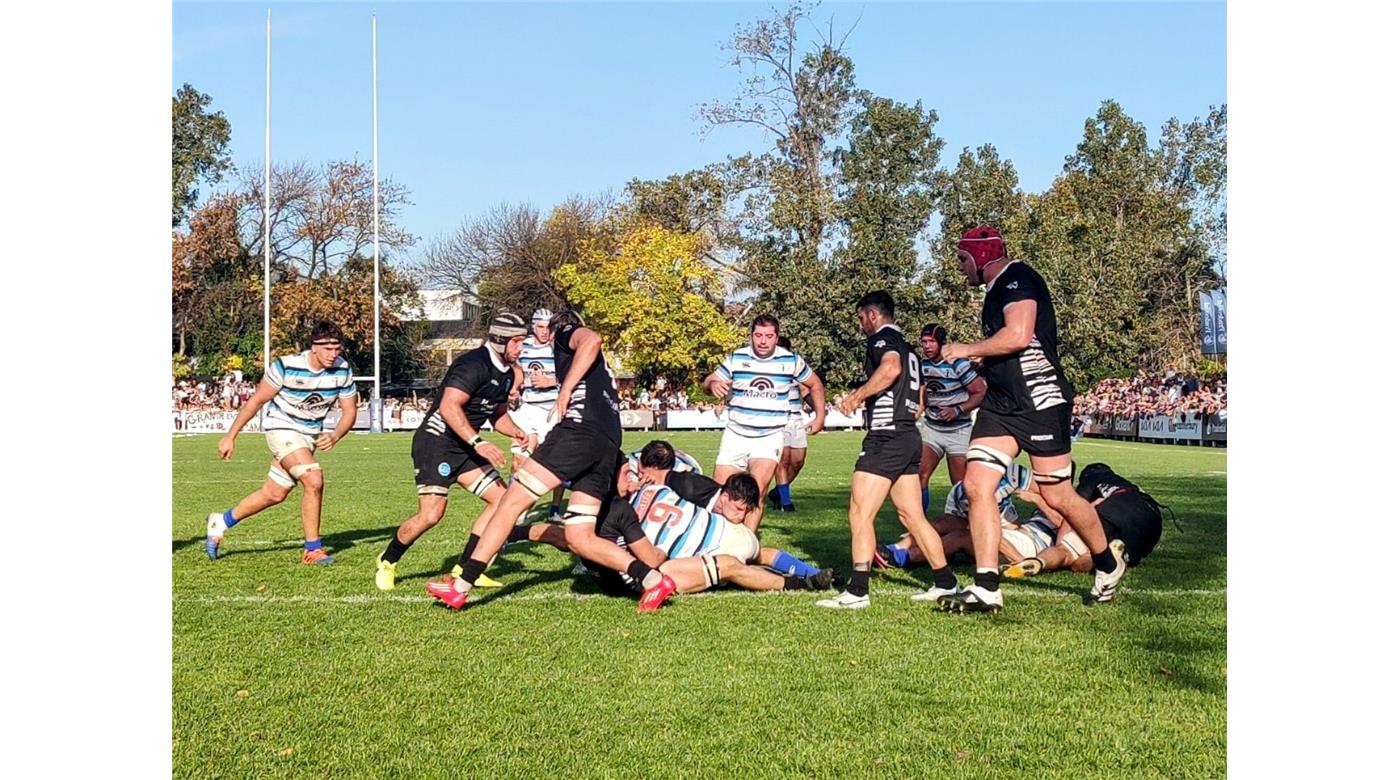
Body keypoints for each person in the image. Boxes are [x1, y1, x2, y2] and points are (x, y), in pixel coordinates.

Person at [426, 309, 678, 612]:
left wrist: (565, 391)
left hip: (579, 432)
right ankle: (652, 580)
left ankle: (461, 585)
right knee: (580, 536)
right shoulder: (594, 367)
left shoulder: (567, 334)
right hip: (608, 443)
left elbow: (592, 339)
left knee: (511, 502)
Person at [940, 226, 1127, 613]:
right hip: (1001, 403)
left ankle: (1108, 563)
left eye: (962, 259)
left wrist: (965, 349)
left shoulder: (1018, 278)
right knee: (976, 485)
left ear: (982, 255)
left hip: (1039, 401)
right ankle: (987, 586)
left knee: (1057, 494)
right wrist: (985, 358)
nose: (960, 268)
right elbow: (1010, 345)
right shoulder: (995, 290)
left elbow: (1020, 335)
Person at [817, 291, 959, 609]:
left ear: (872, 314)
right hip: (909, 435)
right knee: (912, 516)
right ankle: (946, 583)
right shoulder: (911, 349)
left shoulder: (882, 340)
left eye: (860, 318)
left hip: (886, 437)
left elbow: (890, 369)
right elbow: (920, 401)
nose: (860, 325)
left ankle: (857, 591)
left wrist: (856, 397)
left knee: (860, 512)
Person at [373, 313, 537, 591]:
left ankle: (465, 568)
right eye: (517, 342)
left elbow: (497, 415)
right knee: (432, 515)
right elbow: (449, 407)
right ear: (499, 340)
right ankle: (388, 560)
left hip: (465, 443)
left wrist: (518, 432)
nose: (521, 348)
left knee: (503, 501)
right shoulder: (472, 364)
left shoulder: (509, 374)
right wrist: (479, 443)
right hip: (436, 443)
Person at [205, 321, 358, 565]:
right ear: (314, 347)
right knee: (313, 478)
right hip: (281, 427)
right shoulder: (286, 366)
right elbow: (256, 401)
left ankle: (220, 521)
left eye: (337, 349)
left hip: (308, 437)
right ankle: (312, 549)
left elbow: (350, 411)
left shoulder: (342, 370)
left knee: (274, 494)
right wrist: (231, 435)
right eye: (328, 349)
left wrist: (335, 434)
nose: (333, 354)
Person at [703, 315, 826, 533]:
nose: (762, 341)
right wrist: (713, 384)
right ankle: (717, 542)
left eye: (768, 336)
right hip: (736, 433)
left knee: (757, 493)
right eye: (758, 335)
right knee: (720, 493)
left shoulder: (790, 361)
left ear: (776, 338)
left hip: (769, 436)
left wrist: (820, 416)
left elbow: (815, 384)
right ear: (751, 335)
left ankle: (746, 546)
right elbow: (709, 380)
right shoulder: (737, 357)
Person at [1003, 462, 1165, 578]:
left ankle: (1040, 562)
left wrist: (1061, 542)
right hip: (1153, 524)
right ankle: (1118, 557)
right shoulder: (1126, 486)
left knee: (1067, 553)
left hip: (1116, 508)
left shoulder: (1092, 479)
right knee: (1095, 554)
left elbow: (1074, 513)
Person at [914, 324, 987, 510]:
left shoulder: (958, 364)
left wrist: (958, 410)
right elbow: (923, 396)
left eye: (931, 342)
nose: (927, 346)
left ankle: (966, 528)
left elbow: (980, 392)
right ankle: (918, 526)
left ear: (941, 342)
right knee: (919, 475)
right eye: (924, 342)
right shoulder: (922, 366)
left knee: (960, 487)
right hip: (932, 430)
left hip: (959, 432)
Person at [510, 307, 568, 520]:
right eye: (541, 327)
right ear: (533, 326)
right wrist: (515, 387)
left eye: (548, 327)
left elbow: (574, 375)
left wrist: (551, 381)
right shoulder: (522, 346)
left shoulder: (559, 347)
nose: (545, 332)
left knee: (557, 461)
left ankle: (554, 509)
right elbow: (514, 368)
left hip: (553, 410)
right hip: (528, 409)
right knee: (519, 459)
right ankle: (513, 508)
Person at [768, 335, 813, 513]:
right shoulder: (768, 371)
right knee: (783, 460)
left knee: (798, 461)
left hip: (796, 419)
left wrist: (818, 408)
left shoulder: (795, 368)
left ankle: (778, 493)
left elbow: (805, 390)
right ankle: (786, 502)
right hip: (778, 419)